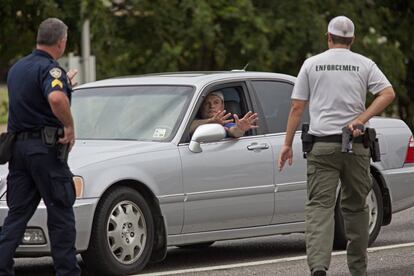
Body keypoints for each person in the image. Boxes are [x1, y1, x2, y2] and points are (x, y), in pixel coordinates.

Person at [278, 16, 395, 276]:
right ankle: (357, 270)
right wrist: (361, 120)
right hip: (356, 145)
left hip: (322, 148)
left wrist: (286, 144)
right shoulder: (365, 64)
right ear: (352, 40)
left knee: (320, 208)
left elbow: (298, 106)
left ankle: (319, 268)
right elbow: (388, 93)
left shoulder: (312, 64)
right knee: (356, 208)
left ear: (328, 37)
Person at [0, 18, 81, 275]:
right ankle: (67, 272)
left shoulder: (17, 68)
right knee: (60, 212)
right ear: (61, 42)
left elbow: (36, 95)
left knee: (17, 215)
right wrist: (69, 126)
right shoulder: (51, 70)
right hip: (45, 151)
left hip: (19, 152)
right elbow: (56, 98)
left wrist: (64, 83)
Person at [190, 91, 258, 138]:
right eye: (206, 103)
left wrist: (240, 129)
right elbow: (185, 128)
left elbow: (234, 131)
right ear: (200, 107)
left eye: (216, 102)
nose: (211, 106)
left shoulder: (226, 123)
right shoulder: (190, 120)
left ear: (222, 106)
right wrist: (210, 121)